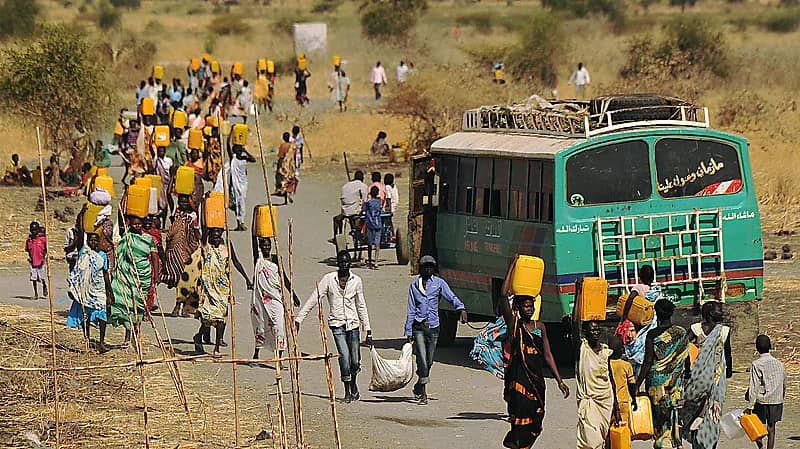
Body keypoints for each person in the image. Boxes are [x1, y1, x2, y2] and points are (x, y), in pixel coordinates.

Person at [498, 285, 569, 448]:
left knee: (537, 417)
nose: (529, 309)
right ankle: (518, 445)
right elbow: (503, 296)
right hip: (519, 380)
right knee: (520, 417)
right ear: (518, 308)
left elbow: (548, 355)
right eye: (526, 306)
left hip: (536, 382)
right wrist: (512, 265)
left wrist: (560, 381)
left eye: (531, 306)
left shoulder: (540, 326)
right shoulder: (515, 326)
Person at [296, 252, 373, 403]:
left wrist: (367, 329)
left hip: (353, 325)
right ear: (337, 263)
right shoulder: (329, 280)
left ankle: (353, 383)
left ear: (350, 264)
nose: (344, 265)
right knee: (344, 357)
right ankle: (347, 392)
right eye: (341, 262)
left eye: (346, 262)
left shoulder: (356, 281)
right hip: (337, 325)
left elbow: (361, 305)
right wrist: (299, 319)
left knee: (355, 360)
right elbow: (314, 299)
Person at [404, 256, 468, 405]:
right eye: (425, 267)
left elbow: (450, 296)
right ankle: (424, 395)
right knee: (421, 357)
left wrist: (461, 308)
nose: (428, 269)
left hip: (433, 328)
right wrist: (408, 331)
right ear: (420, 268)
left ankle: (419, 384)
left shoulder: (439, 284)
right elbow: (411, 309)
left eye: (430, 267)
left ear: (434, 269)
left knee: (429, 360)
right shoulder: (414, 286)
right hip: (418, 327)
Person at [636, 298, 690, 449]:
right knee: (674, 416)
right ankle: (675, 443)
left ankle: (661, 444)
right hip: (675, 383)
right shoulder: (681, 332)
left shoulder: (652, 335)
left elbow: (647, 362)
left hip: (656, 384)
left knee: (659, 420)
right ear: (672, 312)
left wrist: (637, 384)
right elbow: (685, 357)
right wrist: (685, 377)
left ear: (656, 314)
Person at [681, 300, 733, 449]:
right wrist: (728, 372)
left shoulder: (696, 329)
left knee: (694, 412)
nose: (722, 313)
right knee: (712, 414)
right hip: (716, 380)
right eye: (719, 310)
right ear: (711, 314)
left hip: (697, 378)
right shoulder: (724, 331)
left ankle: (695, 443)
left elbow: (683, 350)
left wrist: (686, 371)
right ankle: (709, 444)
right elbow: (727, 354)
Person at [193, 227, 252, 356]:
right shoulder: (206, 246)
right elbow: (203, 232)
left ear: (222, 234)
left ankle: (217, 348)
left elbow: (235, 262)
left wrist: (246, 278)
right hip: (208, 287)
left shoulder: (226, 246)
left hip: (223, 287)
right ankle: (198, 337)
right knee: (207, 317)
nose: (216, 237)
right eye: (213, 235)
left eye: (218, 234)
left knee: (221, 318)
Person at [108, 215, 158, 348]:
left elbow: (154, 257)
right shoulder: (127, 238)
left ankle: (136, 336)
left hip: (144, 277)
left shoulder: (148, 239)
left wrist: (156, 275)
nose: (137, 226)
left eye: (139, 224)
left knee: (140, 307)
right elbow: (120, 255)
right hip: (129, 276)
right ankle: (127, 336)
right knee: (129, 306)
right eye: (134, 224)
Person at [250, 234, 298, 360]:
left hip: (275, 298)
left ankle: (279, 356)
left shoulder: (276, 259)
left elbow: (284, 278)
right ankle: (256, 354)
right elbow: (253, 241)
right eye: (264, 245)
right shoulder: (258, 259)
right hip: (261, 297)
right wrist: (256, 228)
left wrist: (293, 294)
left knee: (279, 326)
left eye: (268, 245)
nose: (266, 247)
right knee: (261, 325)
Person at [66, 232, 113, 353]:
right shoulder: (84, 254)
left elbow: (105, 274)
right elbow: (77, 271)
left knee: (102, 315)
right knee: (85, 315)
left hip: (99, 288)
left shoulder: (102, 255)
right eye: (91, 240)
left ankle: (101, 342)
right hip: (86, 288)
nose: (93, 243)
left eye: (95, 241)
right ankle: (87, 339)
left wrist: (110, 292)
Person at [576, 321, 614, 449]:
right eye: (592, 330)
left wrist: (617, 407)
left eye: (598, 329)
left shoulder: (605, 351)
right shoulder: (582, 350)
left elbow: (611, 378)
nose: (596, 333)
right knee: (591, 439)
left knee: (604, 435)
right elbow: (575, 326)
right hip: (590, 401)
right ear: (585, 333)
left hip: (606, 399)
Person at [746, 335, 785, 449]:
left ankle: (760, 445)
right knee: (771, 428)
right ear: (770, 347)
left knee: (756, 424)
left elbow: (754, 386)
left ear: (757, 348)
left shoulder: (757, 364)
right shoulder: (779, 364)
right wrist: (781, 397)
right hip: (776, 400)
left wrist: (750, 405)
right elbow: (784, 382)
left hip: (762, 400)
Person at [164, 194, 201, 306]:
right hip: (175, 248)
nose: (183, 204)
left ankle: (179, 304)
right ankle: (179, 302)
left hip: (187, 248)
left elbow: (197, 234)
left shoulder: (193, 215)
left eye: (185, 202)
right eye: (181, 202)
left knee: (184, 277)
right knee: (176, 275)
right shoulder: (176, 213)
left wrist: (194, 227)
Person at [608, 335, 637, 427]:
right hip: (623, 402)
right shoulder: (626, 365)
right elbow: (631, 384)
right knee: (623, 430)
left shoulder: (604, 364)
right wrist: (634, 399)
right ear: (622, 350)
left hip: (608, 402)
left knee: (610, 429)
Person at [333, 170, 369, 239]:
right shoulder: (362, 186)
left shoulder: (346, 185)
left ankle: (336, 236)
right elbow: (365, 200)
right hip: (355, 210)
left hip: (345, 211)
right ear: (362, 178)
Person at [25, 222, 48, 300]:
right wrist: (30, 258)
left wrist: (43, 258)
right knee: (33, 278)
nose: (33, 232)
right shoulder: (29, 240)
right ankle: (36, 294)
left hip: (41, 261)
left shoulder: (42, 239)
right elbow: (28, 250)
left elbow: (46, 249)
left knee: (42, 277)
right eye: (32, 230)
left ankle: (44, 285)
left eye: (35, 230)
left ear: (38, 230)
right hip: (33, 262)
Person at [273, 132, 297, 205]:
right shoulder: (293, 146)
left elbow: (281, 156)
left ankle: (283, 193)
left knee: (281, 179)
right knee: (289, 179)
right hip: (291, 165)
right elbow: (294, 156)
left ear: (283, 138)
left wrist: (278, 166)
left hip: (284, 165)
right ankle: (288, 193)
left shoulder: (282, 146)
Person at [362, 186, 383, 270]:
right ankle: (376, 262)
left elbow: (363, 210)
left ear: (370, 194)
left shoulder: (368, 203)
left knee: (370, 244)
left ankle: (370, 261)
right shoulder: (379, 202)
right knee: (377, 244)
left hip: (370, 225)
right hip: (378, 224)